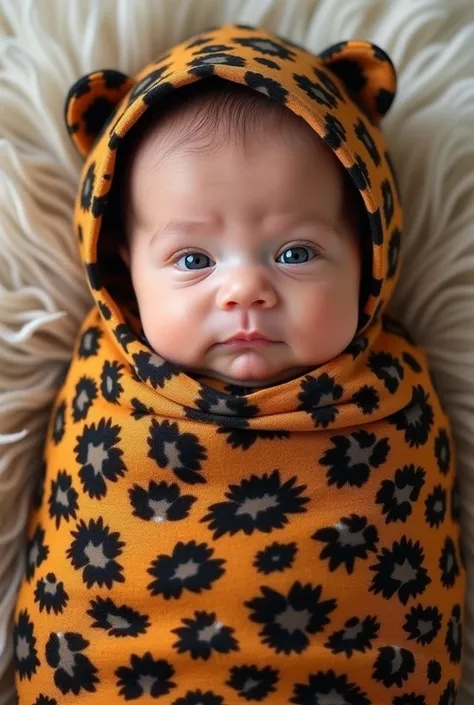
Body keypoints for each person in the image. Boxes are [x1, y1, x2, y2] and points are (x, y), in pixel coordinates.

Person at [13, 23, 465, 704]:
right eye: (193, 260)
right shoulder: (107, 390)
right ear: (123, 272)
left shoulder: (394, 399)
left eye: (296, 252)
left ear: (370, 254)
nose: (245, 288)